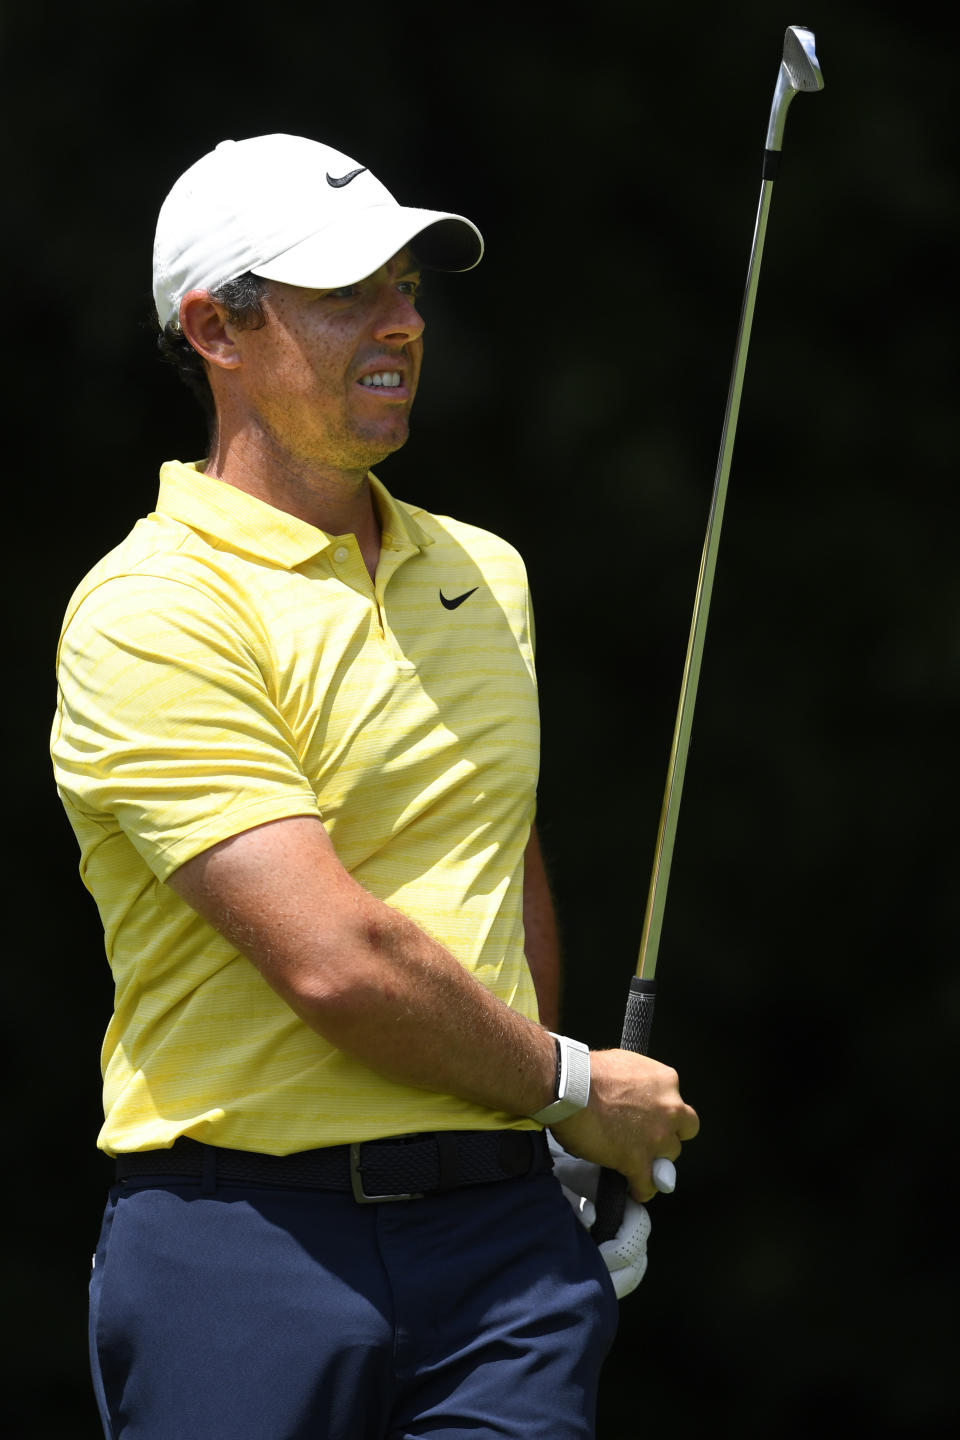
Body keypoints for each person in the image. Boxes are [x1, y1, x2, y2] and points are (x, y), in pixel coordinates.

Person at [51, 133, 699, 1440]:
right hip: (244, 1246)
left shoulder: (484, 572)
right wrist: (576, 1089)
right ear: (214, 330)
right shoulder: (150, 611)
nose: (401, 322)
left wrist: (547, 1150)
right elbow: (336, 960)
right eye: (349, 293)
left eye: (406, 286)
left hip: (505, 1258)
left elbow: (489, 858)